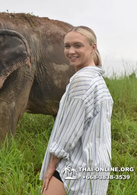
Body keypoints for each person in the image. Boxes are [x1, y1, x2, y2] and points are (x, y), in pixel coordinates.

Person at [40, 26, 113, 195]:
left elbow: (70, 131)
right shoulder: (97, 80)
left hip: (75, 166)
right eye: (67, 46)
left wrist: (52, 165)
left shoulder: (82, 81)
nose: (71, 51)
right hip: (96, 165)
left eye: (77, 45)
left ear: (93, 47)